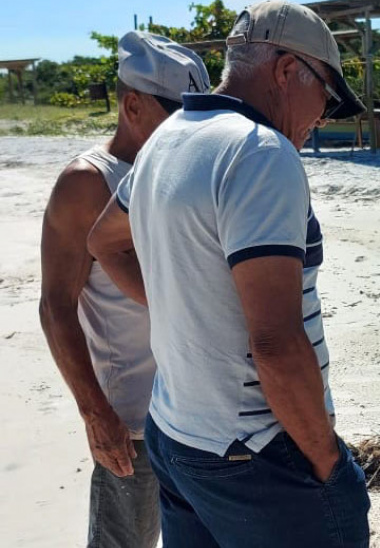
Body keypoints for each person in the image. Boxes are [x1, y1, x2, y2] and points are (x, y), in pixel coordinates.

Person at [86, 0, 370, 547]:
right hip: (255, 449)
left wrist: (184, 310)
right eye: (327, 97)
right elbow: (276, 342)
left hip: (176, 435)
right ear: (288, 70)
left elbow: (105, 241)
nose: (323, 117)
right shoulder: (260, 153)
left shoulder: (166, 140)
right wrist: (326, 459)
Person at [39, 31, 209, 547]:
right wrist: (95, 413)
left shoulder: (184, 170)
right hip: (132, 424)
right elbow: (55, 309)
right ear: (132, 104)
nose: (189, 128)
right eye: (176, 113)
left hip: (201, 416)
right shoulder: (88, 182)